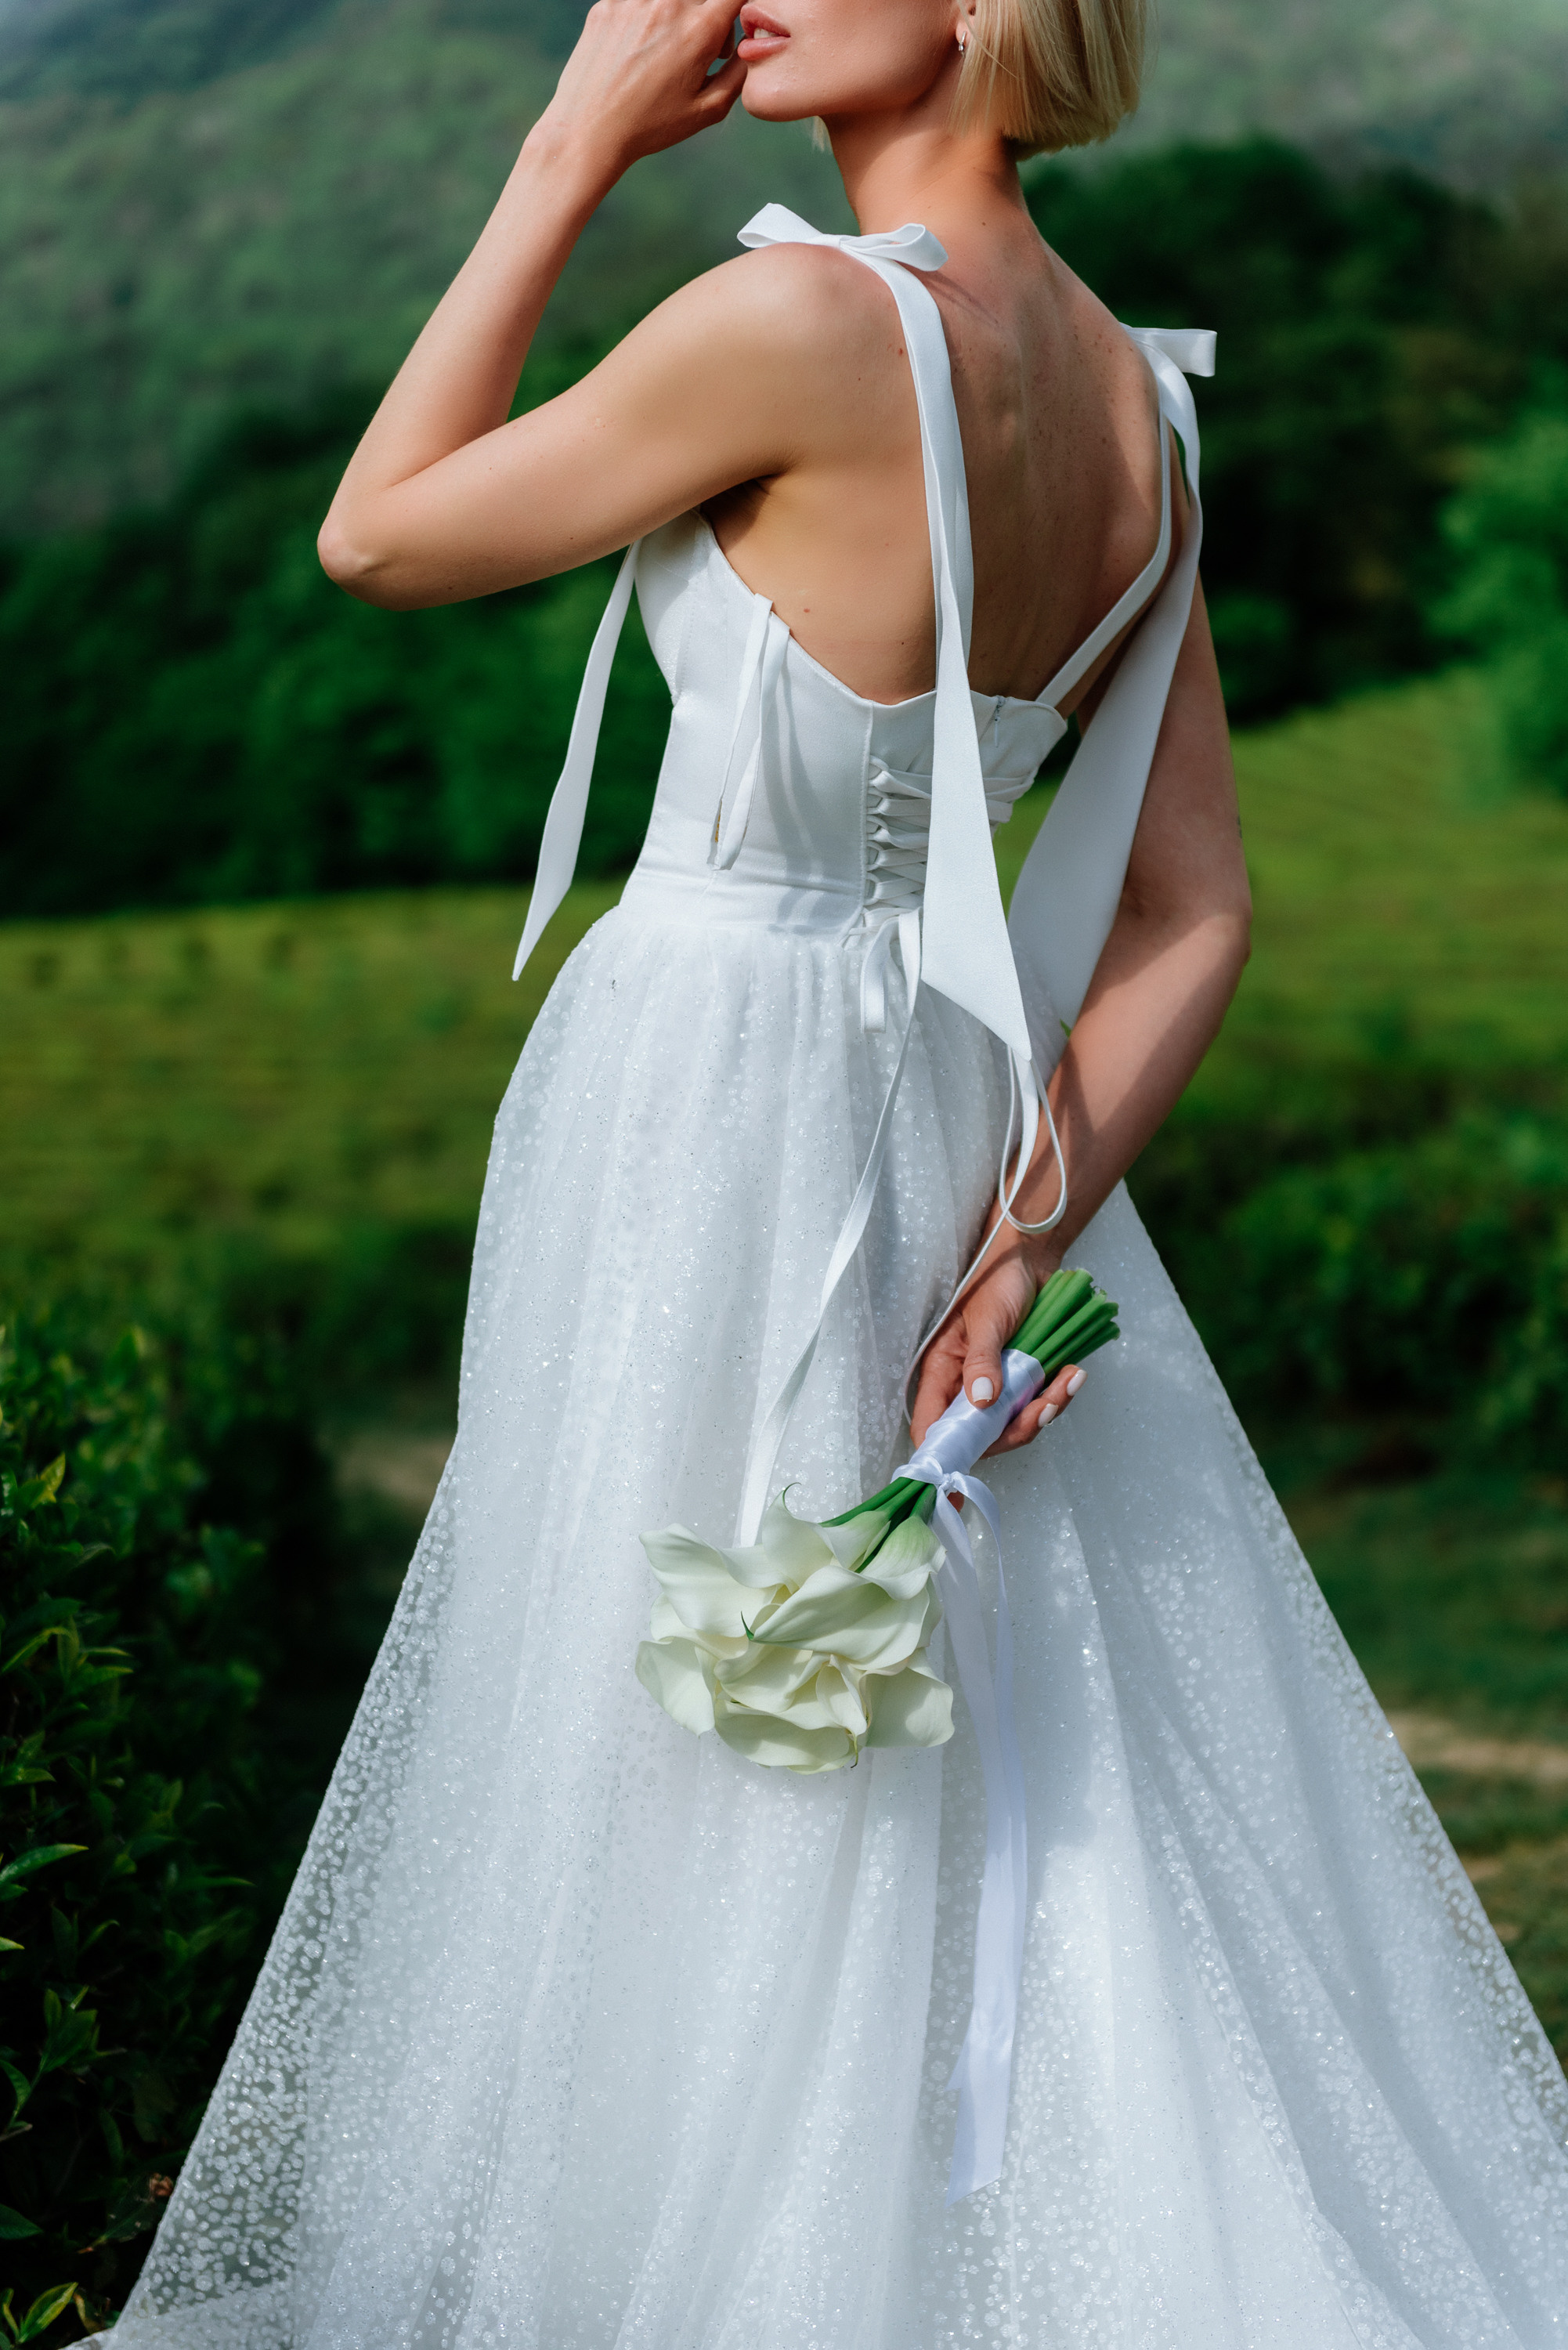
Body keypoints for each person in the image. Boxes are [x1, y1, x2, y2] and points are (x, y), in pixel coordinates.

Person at [110, 0, 1568, 2341]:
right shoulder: (1140, 406)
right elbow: (1196, 905)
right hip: (944, 1106)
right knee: (955, 1710)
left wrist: (568, 145)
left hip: (704, 1089)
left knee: (660, 1702)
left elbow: (374, 529)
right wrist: (1018, 1247)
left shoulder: (795, 316)